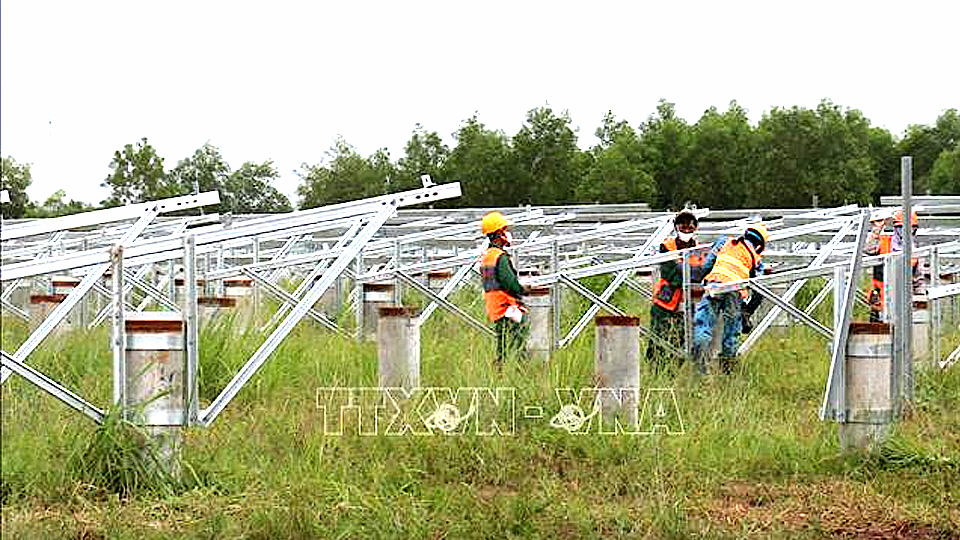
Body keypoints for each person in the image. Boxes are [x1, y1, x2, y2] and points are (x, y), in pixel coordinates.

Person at [691, 224, 768, 375]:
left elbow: (707, 265)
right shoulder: (756, 259)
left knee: (703, 324)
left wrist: (697, 280)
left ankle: (699, 369)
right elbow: (759, 290)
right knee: (731, 333)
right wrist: (747, 312)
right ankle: (728, 371)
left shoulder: (725, 242)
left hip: (715, 286)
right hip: (736, 292)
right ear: (760, 245)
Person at [646, 210, 703, 370]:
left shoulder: (700, 249)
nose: (686, 228)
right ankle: (654, 371)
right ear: (676, 227)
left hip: (689, 304)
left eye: (690, 225)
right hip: (665, 302)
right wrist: (691, 273)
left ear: (695, 227)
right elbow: (671, 273)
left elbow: (703, 272)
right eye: (682, 224)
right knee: (659, 339)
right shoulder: (666, 246)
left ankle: (672, 373)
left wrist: (685, 271)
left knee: (681, 340)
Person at [480, 211, 528, 365]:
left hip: (494, 307)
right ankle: (519, 370)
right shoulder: (499, 257)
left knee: (502, 343)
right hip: (507, 307)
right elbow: (509, 283)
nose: (507, 233)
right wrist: (522, 290)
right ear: (499, 233)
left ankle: (500, 370)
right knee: (517, 340)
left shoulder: (487, 256)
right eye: (505, 230)